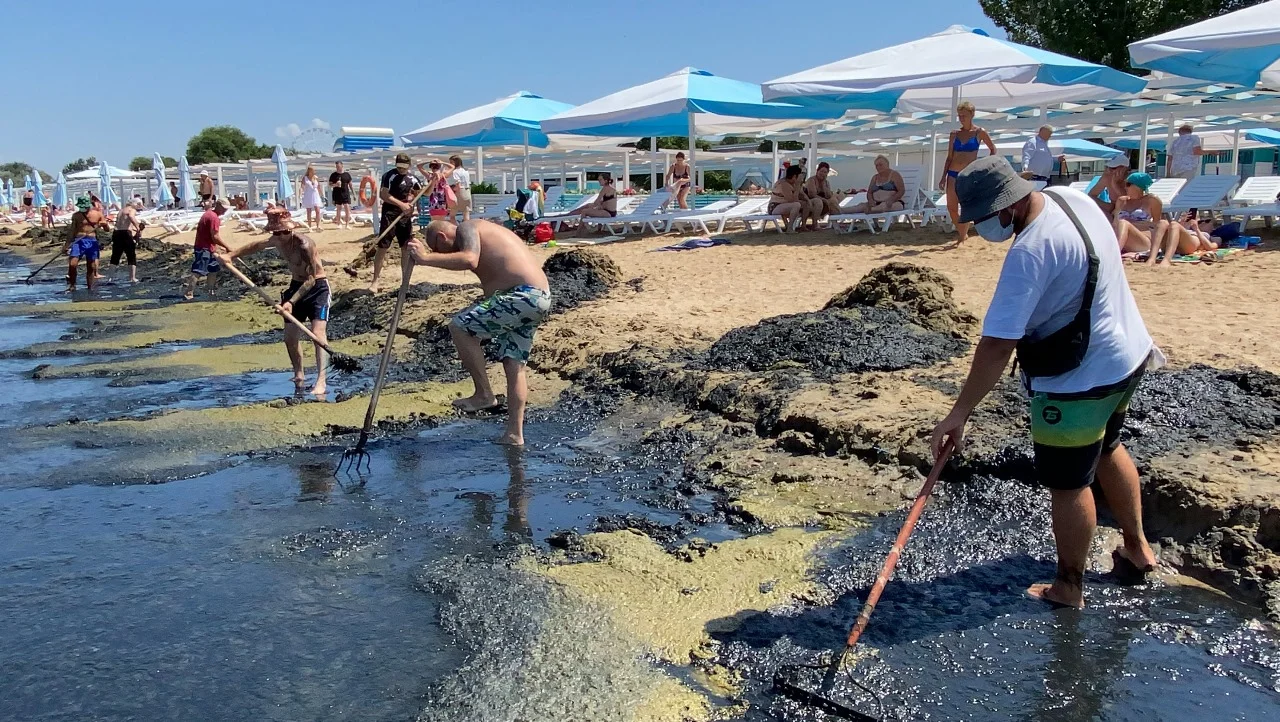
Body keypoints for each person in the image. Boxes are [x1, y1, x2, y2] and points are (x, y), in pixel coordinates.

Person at [931, 156, 1159, 609]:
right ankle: (1137, 549)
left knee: (1069, 483)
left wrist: (957, 414)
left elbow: (996, 346)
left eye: (981, 219)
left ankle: (1069, 586)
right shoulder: (1071, 199)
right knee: (1109, 445)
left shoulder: (1030, 252)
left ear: (1005, 209)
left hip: (1080, 377)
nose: (982, 230)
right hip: (1129, 353)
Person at [406, 220, 551, 446]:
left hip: (521, 295)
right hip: (539, 297)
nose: (440, 254)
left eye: (437, 249)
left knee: (459, 327)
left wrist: (425, 258)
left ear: (442, 238)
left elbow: (469, 259)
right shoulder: (489, 229)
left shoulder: (467, 227)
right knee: (513, 364)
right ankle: (514, 434)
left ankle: (483, 394)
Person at [220, 207, 331, 396]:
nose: (281, 236)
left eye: (285, 232)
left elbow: (311, 279)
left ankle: (321, 381)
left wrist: (291, 302)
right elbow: (255, 246)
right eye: (277, 233)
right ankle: (299, 374)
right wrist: (231, 255)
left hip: (316, 288)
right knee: (289, 337)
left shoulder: (304, 245)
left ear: (291, 229)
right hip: (295, 286)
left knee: (317, 334)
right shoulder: (276, 240)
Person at [940, 101, 997, 245]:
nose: (961, 118)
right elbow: (949, 157)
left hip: (969, 174)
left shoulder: (979, 132)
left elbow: (993, 149)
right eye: (959, 116)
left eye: (964, 115)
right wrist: (943, 177)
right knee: (951, 207)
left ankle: (961, 237)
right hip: (953, 173)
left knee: (966, 207)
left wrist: (985, 165)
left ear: (972, 115)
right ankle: (962, 233)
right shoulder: (954, 134)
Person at [370, 153, 422, 292]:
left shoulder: (413, 178)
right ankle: (375, 281)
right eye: (399, 167)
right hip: (390, 214)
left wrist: (413, 206)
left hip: (404, 216)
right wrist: (401, 205)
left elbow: (422, 192)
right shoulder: (389, 176)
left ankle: (405, 281)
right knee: (383, 247)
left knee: (405, 247)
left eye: (404, 168)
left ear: (408, 166)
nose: (401, 170)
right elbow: (384, 194)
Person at [1112, 172, 1171, 259]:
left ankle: (1114, 254)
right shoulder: (1122, 201)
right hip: (1121, 236)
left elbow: (1156, 226)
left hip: (1143, 239)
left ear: (1138, 186)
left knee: (1124, 223)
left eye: (1128, 184)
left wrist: (1131, 224)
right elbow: (1115, 223)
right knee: (1121, 224)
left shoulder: (1152, 200)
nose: (1125, 187)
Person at [185, 198, 230, 299]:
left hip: (209, 247)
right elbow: (215, 236)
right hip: (203, 248)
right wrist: (227, 247)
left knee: (213, 269)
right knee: (198, 270)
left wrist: (217, 247)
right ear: (218, 205)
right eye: (223, 208)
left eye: (226, 209)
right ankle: (189, 293)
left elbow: (211, 236)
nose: (225, 211)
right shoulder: (213, 217)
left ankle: (211, 291)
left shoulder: (209, 214)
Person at [63, 197, 107, 292]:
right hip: (78, 241)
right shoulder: (76, 215)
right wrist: (67, 245)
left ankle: (90, 287)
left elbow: (107, 229)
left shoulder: (97, 214)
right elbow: (72, 231)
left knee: (91, 266)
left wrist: (104, 224)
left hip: (92, 241)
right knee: (72, 264)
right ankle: (72, 285)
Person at [768, 165, 813, 232]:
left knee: (805, 204)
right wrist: (798, 185)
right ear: (795, 176)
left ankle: (803, 226)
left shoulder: (792, 183)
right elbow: (792, 200)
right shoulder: (783, 184)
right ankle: (790, 228)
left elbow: (802, 194)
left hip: (785, 205)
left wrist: (808, 201)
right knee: (796, 205)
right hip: (775, 206)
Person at [111, 198, 144, 283]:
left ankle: (110, 278)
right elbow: (131, 216)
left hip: (116, 232)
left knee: (115, 255)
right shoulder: (131, 209)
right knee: (131, 255)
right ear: (136, 204)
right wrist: (137, 227)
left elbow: (120, 222)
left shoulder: (122, 210)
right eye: (139, 205)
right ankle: (132, 278)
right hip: (125, 233)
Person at [801, 162, 842, 229]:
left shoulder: (826, 182)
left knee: (835, 199)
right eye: (821, 171)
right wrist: (824, 199)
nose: (823, 173)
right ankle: (814, 223)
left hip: (822, 200)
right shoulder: (812, 180)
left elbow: (829, 195)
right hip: (809, 200)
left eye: (825, 172)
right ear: (817, 171)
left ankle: (835, 220)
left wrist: (823, 186)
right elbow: (812, 194)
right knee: (818, 201)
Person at [328, 161, 353, 229]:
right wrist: (335, 184)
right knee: (338, 209)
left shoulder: (347, 174)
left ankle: (347, 224)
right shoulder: (333, 175)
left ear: (342, 166)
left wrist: (353, 193)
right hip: (337, 193)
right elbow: (330, 184)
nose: (337, 168)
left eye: (338, 166)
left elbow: (350, 184)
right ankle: (339, 223)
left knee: (347, 209)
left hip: (346, 193)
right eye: (336, 167)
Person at [447, 155, 472, 223]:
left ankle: (456, 228)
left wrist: (451, 190)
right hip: (467, 192)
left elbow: (458, 185)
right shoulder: (466, 172)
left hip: (459, 193)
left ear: (455, 162)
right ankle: (466, 229)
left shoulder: (455, 172)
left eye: (451, 162)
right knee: (466, 214)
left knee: (452, 215)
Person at [301, 164, 325, 231]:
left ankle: (318, 225)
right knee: (309, 211)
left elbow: (319, 187)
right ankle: (309, 226)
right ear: (309, 171)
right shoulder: (305, 178)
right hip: (308, 196)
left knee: (317, 210)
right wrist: (300, 193)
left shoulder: (316, 177)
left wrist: (322, 195)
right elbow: (302, 187)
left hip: (316, 195)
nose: (314, 172)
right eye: (312, 171)